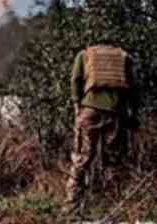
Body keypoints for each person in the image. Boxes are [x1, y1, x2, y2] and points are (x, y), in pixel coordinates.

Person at [64, 40, 140, 215]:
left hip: (89, 111)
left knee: (81, 160)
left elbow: (75, 80)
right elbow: (134, 89)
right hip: (116, 113)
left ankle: (71, 208)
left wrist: (77, 106)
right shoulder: (124, 56)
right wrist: (133, 115)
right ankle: (114, 206)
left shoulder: (84, 55)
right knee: (114, 161)